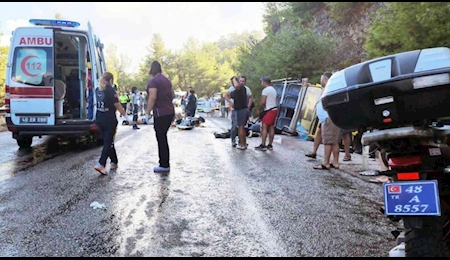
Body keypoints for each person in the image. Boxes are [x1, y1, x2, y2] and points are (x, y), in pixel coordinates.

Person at [94, 72, 131, 175]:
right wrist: (127, 117)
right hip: (109, 119)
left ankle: (114, 161)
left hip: (99, 118)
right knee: (108, 141)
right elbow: (118, 105)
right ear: (111, 80)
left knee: (108, 141)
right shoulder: (110, 90)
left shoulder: (98, 90)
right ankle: (101, 163)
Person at [145, 61, 175, 173]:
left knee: (161, 138)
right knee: (163, 137)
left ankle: (164, 164)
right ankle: (164, 163)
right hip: (169, 111)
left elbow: (152, 97)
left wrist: (147, 112)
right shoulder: (167, 80)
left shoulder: (154, 81)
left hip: (160, 113)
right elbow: (172, 94)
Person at [313, 72, 341, 170]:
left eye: (322, 79)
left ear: (326, 79)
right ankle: (335, 162)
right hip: (330, 117)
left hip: (328, 117)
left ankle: (326, 163)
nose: (321, 81)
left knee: (328, 141)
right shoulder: (330, 88)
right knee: (334, 141)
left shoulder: (330, 88)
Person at [225, 76, 253, 150]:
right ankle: (242, 143)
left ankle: (242, 144)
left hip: (240, 110)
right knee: (241, 127)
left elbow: (237, 86)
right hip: (242, 109)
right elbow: (226, 95)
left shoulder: (240, 88)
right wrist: (231, 103)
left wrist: (234, 79)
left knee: (240, 127)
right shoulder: (239, 89)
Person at [255, 76, 278, 151]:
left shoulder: (265, 90)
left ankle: (263, 144)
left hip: (269, 110)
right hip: (274, 109)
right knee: (271, 127)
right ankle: (270, 144)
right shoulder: (273, 89)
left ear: (265, 82)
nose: (261, 83)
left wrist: (259, 109)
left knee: (264, 126)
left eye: (262, 82)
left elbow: (263, 102)